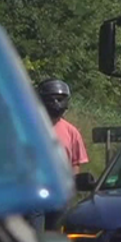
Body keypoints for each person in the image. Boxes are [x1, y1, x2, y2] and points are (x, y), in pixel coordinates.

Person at [33, 78, 89, 232]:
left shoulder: (71, 132)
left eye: (60, 99)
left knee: (56, 237)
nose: (56, 103)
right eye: (52, 99)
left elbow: (75, 164)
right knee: (35, 240)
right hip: (35, 193)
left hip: (60, 195)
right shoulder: (30, 128)